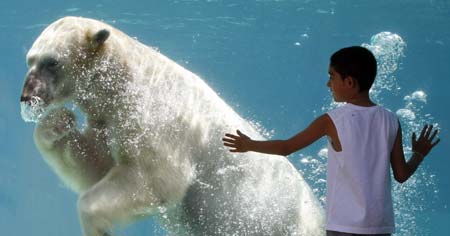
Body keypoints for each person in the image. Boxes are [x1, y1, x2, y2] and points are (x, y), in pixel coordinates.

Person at [222, 46, 440, 236]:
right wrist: (418, 154)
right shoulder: (391, 120)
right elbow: (401, 175)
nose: (328, 84)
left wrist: (250, 144)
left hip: (344, 225)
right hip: (380, 226)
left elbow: (286, 147)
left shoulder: (332, 121)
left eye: (332, 77)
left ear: (349, 82)